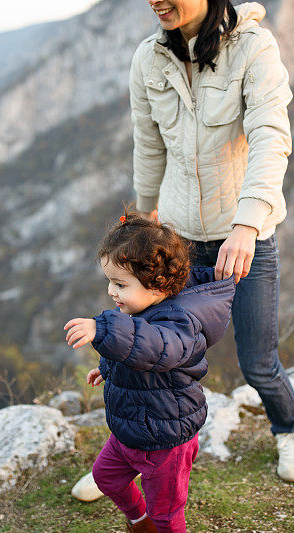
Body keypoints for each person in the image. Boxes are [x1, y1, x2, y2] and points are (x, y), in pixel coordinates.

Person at [130, 0, 294, 481]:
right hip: (178, 237)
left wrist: (247, 224)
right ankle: (136, 455)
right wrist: (144, 210)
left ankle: (290, 429)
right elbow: (148, 142)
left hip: (246, 237)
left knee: (258, 363)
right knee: (160, 355)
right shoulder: (148, 58)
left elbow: (271, 135)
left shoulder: (254, 47)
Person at [64, 212, 235, 533]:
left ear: (157, 286)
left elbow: (157, 348)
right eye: (110, 282)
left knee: (167, 514)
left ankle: (155, 523)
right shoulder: (138, 309)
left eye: (120, 284)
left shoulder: (181, 323)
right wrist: (107, 368)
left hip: (166, 439)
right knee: (106, 478)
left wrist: (101, 329)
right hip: (132, 429)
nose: (112, 292)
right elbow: (136, 352)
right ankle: (140, 521)